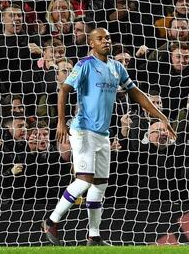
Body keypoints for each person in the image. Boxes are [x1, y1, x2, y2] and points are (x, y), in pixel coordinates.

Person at [41, 28, 175, 246]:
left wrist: (162, 117)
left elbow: (136, 93)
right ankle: (51, 221)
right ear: (91, 43)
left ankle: (93, 236)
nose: (105, 41)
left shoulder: (116, 67)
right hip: (82, 129)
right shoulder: (84, 64)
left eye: (108, 38)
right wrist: (60, 122)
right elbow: (64, 90)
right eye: (100, 38)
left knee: (100, 185)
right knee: (84, 179)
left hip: (103, 134)